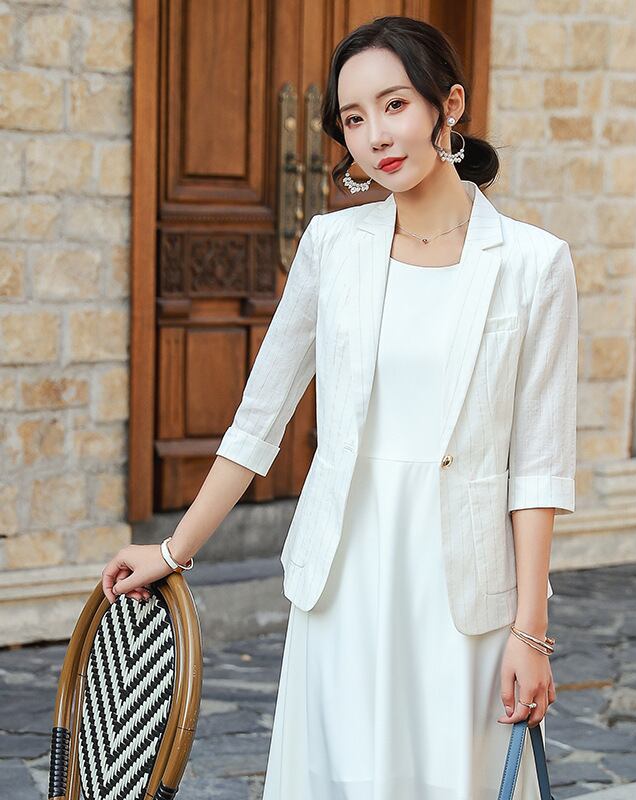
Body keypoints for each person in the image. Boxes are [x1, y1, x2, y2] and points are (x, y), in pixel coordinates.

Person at [101, 15, 578, 799]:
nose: (375, 136)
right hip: (343, 576)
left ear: (448, 105)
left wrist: (531, 632)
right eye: (353, 119)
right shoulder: (332, 246)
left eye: (394, 105)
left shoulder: (534, 263)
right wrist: (175, 550)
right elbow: (260, 418)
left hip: (462, 593)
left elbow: (538, 465)